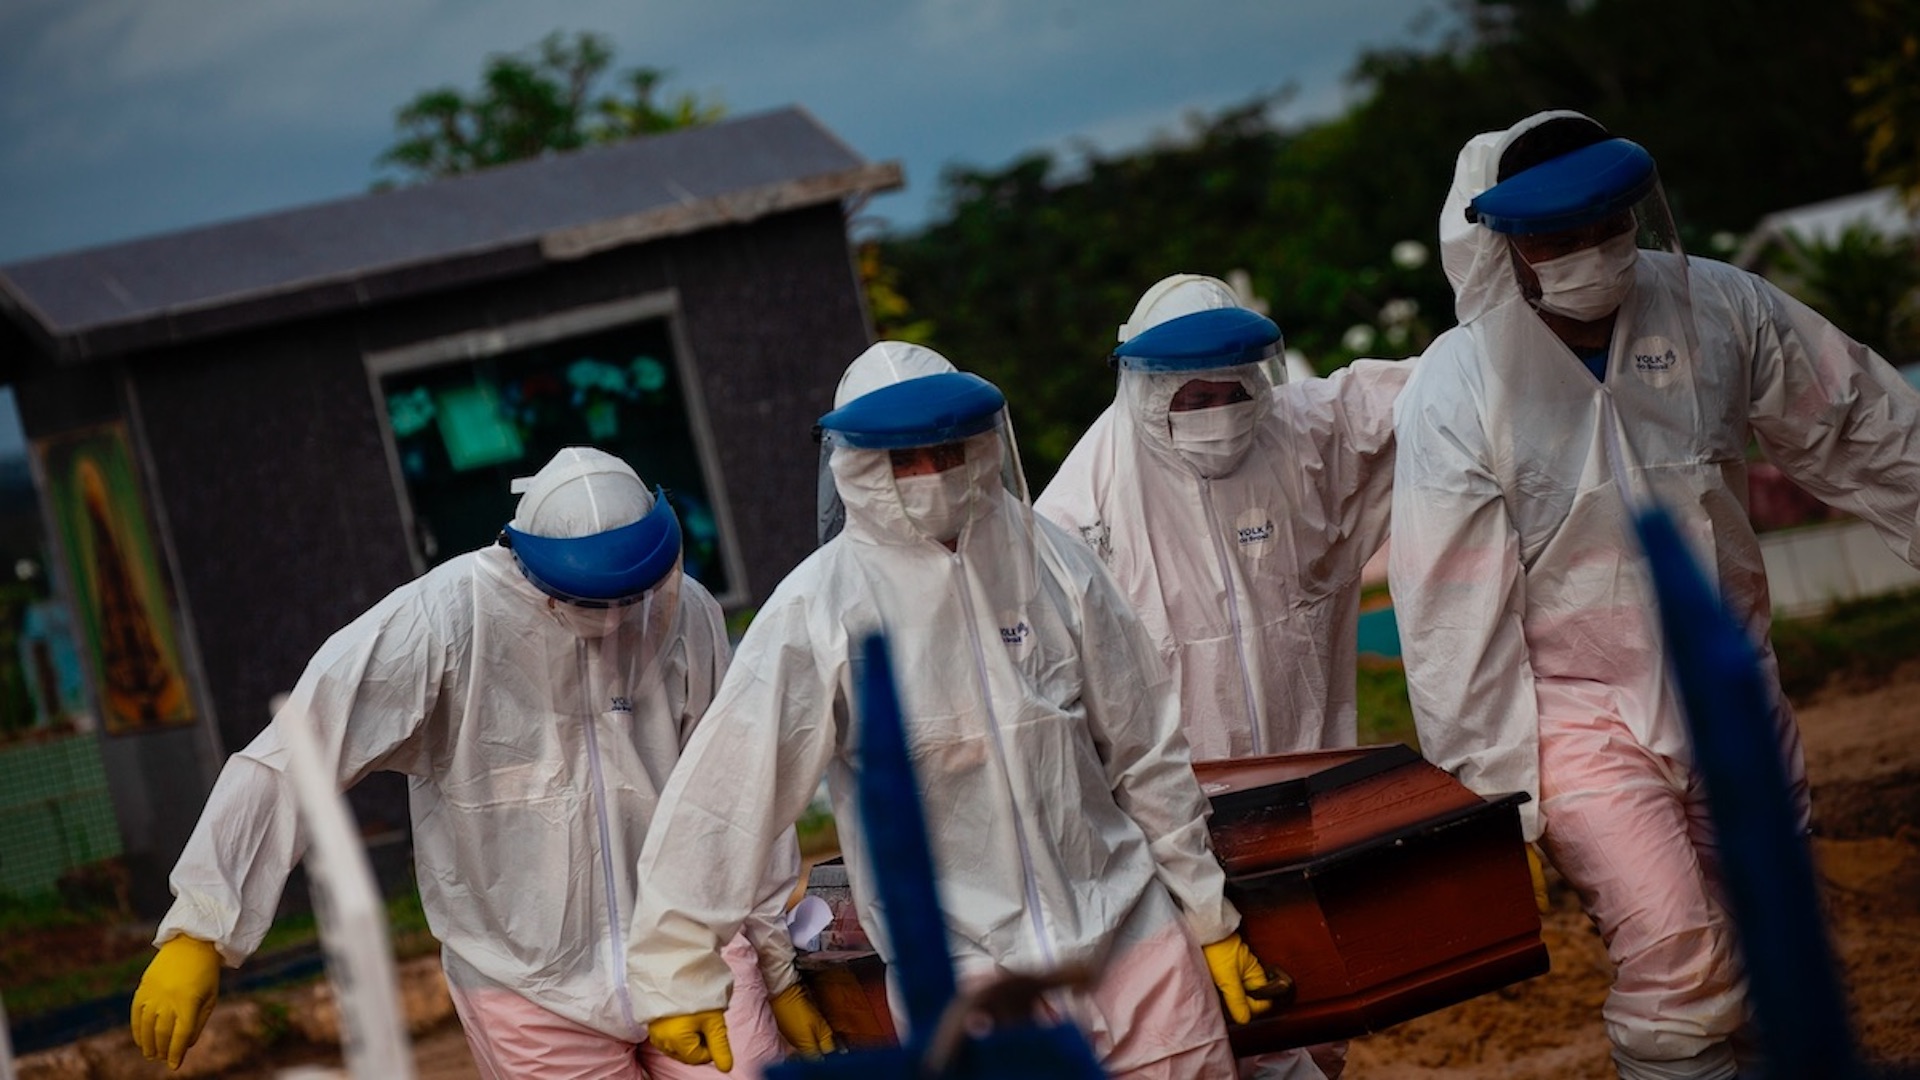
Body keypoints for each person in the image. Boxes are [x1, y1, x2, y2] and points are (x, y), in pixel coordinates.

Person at [1388, 110, 1920, 1080]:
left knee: (1775, 933)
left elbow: (1869, 431)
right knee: (1677, 956)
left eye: (1608, 224)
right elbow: (1450, 618)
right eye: (1557, 235)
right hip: (1577, 721)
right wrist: (1495, 805)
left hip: (1729, 683)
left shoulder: (1720, 309)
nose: (1591, 252)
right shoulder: (1459, 390)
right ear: (1498, 245)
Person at [627, 341, 1278, 1078]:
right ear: (857, 465)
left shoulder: (1054, 561)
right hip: (966, 979)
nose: (933, 474)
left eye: (948, 449)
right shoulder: (819, 608)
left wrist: (1205, 912)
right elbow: (728, 795)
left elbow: (1145, 749)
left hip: (1131, 938)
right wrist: (676, 963)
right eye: (904, 460)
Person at [129, 447, 831, 1079]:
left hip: (691, 950)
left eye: (638, 594)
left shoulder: (687, 614)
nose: (619, 618)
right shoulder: (442, 622)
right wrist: (203, 926)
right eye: (593, 600)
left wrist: (776, 968)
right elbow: (297, 752)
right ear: (523, 561)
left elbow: (740, 791)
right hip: (525, 984)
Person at [1035, 280, 1410, 1079]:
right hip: (1174, 832)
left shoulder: (1299, 432)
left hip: (1308, 797)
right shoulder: (1080, 510)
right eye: (1194, 394)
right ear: (1146, 386)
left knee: (1320, 1022)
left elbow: (1443, 385)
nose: (1219, 407)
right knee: (1233, 1037)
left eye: (1234, 388)